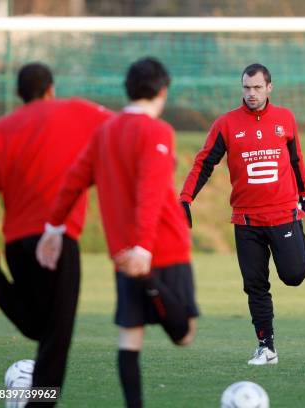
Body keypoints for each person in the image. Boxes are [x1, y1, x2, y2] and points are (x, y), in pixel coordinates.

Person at [36, 57, 198, 408]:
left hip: (123, 253)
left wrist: (53, 226)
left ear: (127, 89)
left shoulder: (105, 131)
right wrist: (143, 247)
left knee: (130, 340)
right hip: (161, 247)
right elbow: (151, 189)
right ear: (163, 91)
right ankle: (149, 280)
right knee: (184, 335)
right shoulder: (158, 131)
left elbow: (72, 180)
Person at [0, 62, 112, 404]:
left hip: (17, 245)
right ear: (51, 89)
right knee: (56, 336)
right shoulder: (77, 111)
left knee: (37, 327)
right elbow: (123, 129)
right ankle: (40, 402)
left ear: (18, 95)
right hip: (56, 239)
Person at [180, 63, 305, 365]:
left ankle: (297, 238)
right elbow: (204, 164)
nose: (251, 93)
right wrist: (185, 198)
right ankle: (267, 347)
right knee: (255, 286)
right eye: (246, 88)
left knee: (293, 276)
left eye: (256, 87)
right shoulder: (226, 124)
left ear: (269, 87)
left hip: (283, 215)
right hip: (246, 221)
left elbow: (296, 159)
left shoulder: (285, 119)